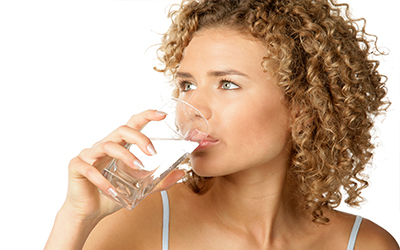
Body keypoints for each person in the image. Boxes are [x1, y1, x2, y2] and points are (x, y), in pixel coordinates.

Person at [45, 0, 399, 249]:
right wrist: (75, 219)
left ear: (304, 107)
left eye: (227, 84)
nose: (191, 107)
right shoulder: (138, 224)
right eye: (187, 84)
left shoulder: (365, 245)